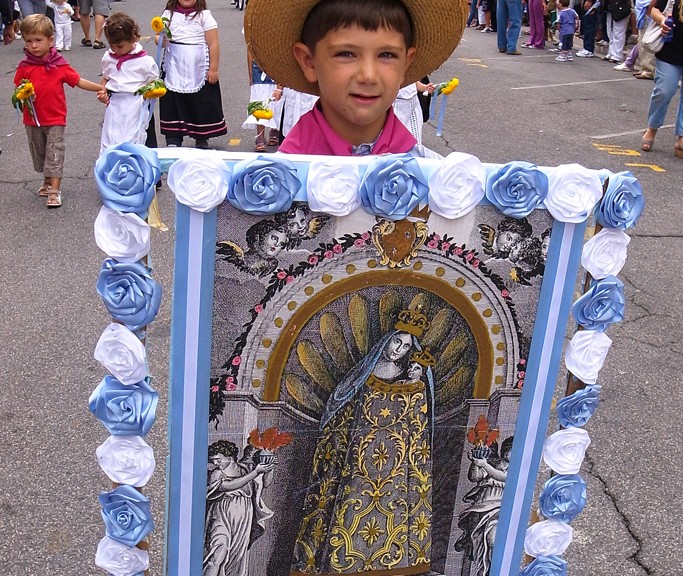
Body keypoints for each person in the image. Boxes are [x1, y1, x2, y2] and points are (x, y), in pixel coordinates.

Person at [290, 309, 436, 575]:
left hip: (394, 466)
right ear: (387, 340)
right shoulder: (363, 374)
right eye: (397, 342)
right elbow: (341, 408)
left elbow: (416, 424)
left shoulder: (413, 383)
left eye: (405, 347)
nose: (399, 350)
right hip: (356, 461)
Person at [244, 0, 465, 158]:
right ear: (308, 62)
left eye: (386, 55)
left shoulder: (436, 180)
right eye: (346, 54)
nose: (368, 76)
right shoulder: (279, 181)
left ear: (406, 64)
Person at [14, 14, 103, 208]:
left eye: (38, 40)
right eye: (29, 41)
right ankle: (47, 181)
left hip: (55, 118)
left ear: (50, 40)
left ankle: (55, 190)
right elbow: (18, 88)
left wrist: (100, 87)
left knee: (55, 152)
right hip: (33, 119)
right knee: (40, 153)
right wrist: (23, 94)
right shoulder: (25, 67)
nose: (34, 45)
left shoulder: (59, 64)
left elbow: (78, 81)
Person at [158, 0, 227, 149]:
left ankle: (201, 135)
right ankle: (173, 136)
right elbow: (159, 36)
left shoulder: (204, 16)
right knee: (172, 101)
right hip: (174, 65)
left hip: (198, 66)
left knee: (200, 101)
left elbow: (213, 43)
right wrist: (160, 40)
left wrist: (213, 69)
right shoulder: (168, 15)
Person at [203, 440, 274, 576]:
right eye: (213, 461)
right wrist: (255, 472)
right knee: (217, 552)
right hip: (222, 515)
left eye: (218, 460)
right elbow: (228, 486)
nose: (215, 464)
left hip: (243, 517)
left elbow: (265, 483)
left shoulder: (245, 469)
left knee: (235, 559)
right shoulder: (216, 474)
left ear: (229, 456)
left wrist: (270, 468)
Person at [97, 13, 159, 153]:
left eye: (120, 46)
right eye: (112, 46)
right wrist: (103, 92)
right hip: (116, 106)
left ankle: (146, 167)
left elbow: (154, 82)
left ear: (133, 38)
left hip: (137, 104)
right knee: (113, 137)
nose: (116, 51)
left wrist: (147, 95)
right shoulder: (108, 57)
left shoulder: (145, 61)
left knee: (141, 139)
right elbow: (107, 78)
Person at [455, 437, 514, 576]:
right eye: (506, 449)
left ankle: (496, 569)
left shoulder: (516, 470)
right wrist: (476, 463)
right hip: (479, 507)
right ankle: (469, 539)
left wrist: (485, 464)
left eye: (511, 450)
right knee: (478, 539)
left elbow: (503, 478)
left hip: (499, 509)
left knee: (493, 539)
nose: (508, 453)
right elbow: (474, 477)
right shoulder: (494, 463)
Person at [641, 0, 683, 157]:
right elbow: (654, 10)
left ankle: (681, 137)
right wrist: (663, 21)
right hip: (670, 51)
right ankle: (652, 127)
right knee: (664, 91)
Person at [246, 51, 281, 152]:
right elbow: (250, 50)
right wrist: (251, 74)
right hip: (259, 67)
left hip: (277, 66)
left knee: (278, 101)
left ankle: (275, 130)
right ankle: (260, 137)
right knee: (260, 103)